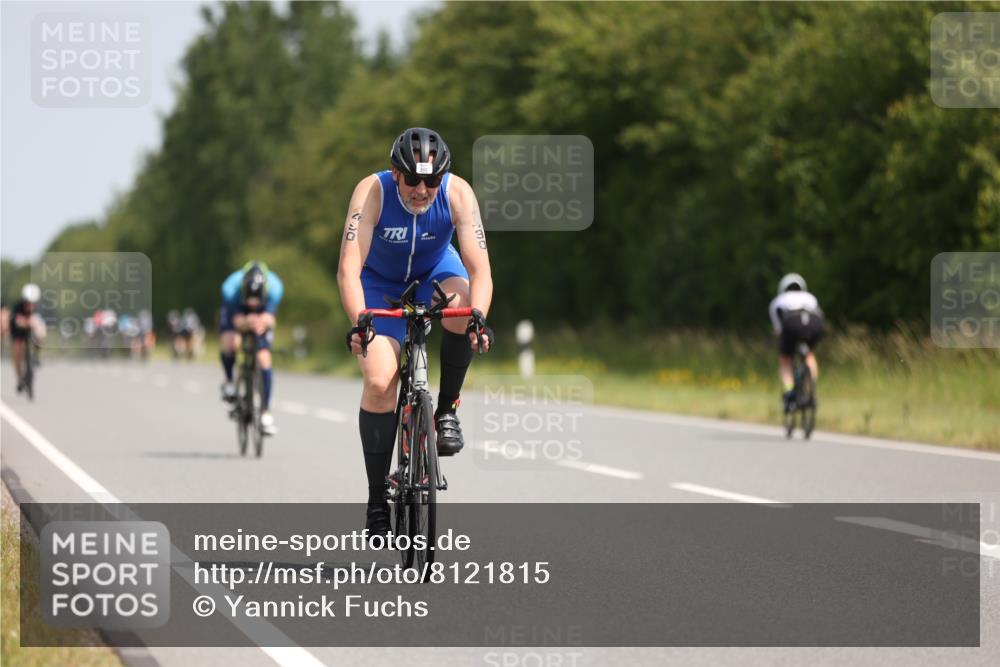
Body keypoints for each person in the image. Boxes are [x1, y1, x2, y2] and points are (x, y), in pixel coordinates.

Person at [338, 127, 494, 536]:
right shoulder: (371, 192)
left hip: (435, 273)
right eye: (412, 179)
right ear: (395, 173)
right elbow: (349, 269)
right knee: (379, 382)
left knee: (462, 306)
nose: (422, 190)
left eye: (432, 181)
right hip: (380, 285)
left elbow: (480, 269)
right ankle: (376, 502)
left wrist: (478, 316)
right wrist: (360, 320)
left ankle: (446, 411)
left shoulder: (458, 194)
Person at [219, 261, 284, 435]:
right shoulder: (230, 288)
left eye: (256, 301)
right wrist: (245, 323)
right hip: (237, 308)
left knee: (264, 358)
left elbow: (270, 319)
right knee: (231, 343)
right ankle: (229, 381)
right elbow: (237, 321)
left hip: (263, 312)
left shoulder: (275, 288)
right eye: (250, 300)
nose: (253, 304)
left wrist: (263, 323)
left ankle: (265, 412)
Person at [768, 273, 825, 411]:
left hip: (792, 322)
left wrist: (784, 341)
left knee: (785, 360)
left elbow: (778, 329)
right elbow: (819, 314)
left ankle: (789, 392)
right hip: (814, 322)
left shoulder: (778, 300)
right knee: (809, 355)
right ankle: (810, 390)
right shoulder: (810, 297)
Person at [9, 284, 43, 391]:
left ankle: (36, 355)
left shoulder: (37, 307)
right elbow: (17, 320)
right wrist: (25, 322)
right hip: (18, 332)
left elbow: (38, 322)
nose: (30, 305)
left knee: (40, 333)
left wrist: (36, 326)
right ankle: (20, 379)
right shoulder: (17, 306)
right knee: (17, 354)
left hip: (30, 329)